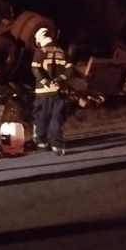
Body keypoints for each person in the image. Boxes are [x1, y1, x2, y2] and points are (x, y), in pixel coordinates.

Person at [30, 26, 74, 155]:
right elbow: (70, 69)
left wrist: (47, 82)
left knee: (42, 116)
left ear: (39, 40)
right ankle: (57, 145)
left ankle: (41, 142)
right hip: (59, 91)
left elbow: (35, 69)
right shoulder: (62, 51)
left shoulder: (40, 52)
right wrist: (59, 80)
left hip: (43, 91)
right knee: (57, 117)